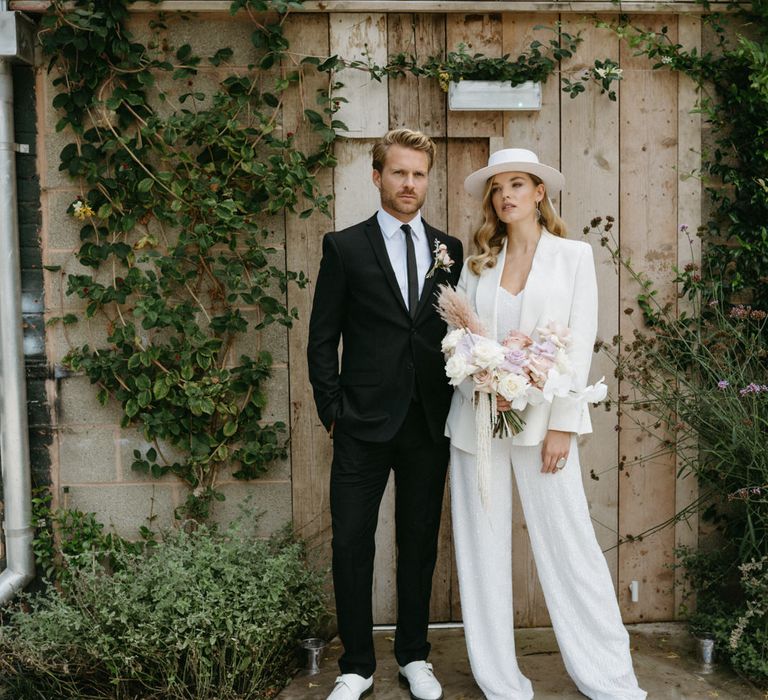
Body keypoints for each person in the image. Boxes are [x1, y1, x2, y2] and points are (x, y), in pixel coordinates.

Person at [445, 148, 646, 700]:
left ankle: (608, 675)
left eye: (517, 184)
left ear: (539, 192)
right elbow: (458, 342)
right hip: (476, 427)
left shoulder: (573, 257)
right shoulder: (479, 261)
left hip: (544, 428)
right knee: (481, 553)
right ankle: (500, 679)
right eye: (497, 187)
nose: (505, 194)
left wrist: (563, 424)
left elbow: (578, 346)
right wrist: (480, 382)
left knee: (570, 545)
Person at [307, 128, 463, 700]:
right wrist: (333, 411)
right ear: (377, 177)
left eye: (419, 174)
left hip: (427, 423)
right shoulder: (344, 246)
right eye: (399, 172)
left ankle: (414, 656)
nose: (409, 183)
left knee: (419, 540)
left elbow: (452, 333)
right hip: (361, 424)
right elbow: (322, 338)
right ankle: (356, 665)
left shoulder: (450, 249)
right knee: (351, 541)